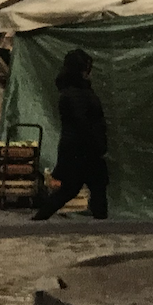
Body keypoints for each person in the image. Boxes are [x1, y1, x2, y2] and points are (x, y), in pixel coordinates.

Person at [32, 48, 108, 221]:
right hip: (83, 150)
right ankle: (102, 226)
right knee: (93, 188)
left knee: (73, 190)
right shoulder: (76, 93)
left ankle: (38, 220)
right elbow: (83, 124)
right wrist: (98, 144)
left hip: (78, 149)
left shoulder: (71, 91)